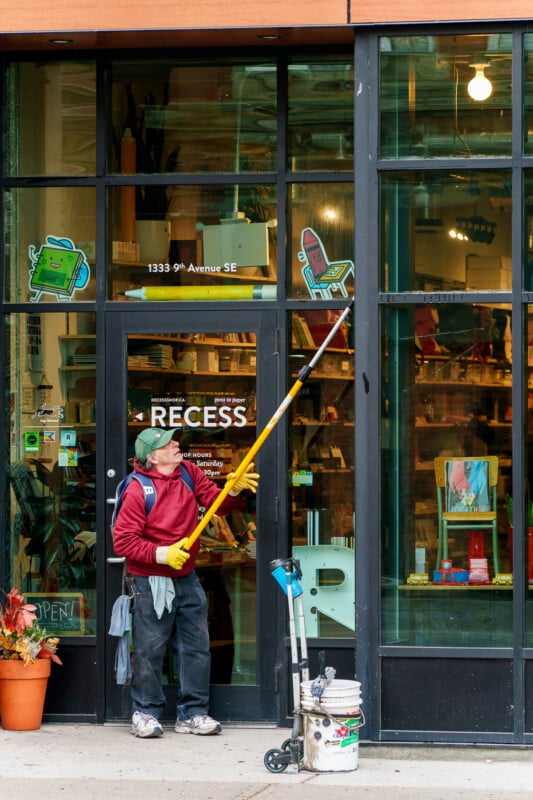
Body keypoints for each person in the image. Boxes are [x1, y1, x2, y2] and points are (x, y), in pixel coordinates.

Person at [112, 427, 259, 739]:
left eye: (174, 440)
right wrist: (162, 554)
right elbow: (123, 542)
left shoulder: (189, 473)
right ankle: (145, 712)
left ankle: (193, 713)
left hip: (187, 576)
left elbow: (217, 506)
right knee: (151, 648)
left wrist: (232, 490)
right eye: (168, 443)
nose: (176, 444)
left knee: (196, 646)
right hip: (149, 579)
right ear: (152, 456)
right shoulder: (138, 489)